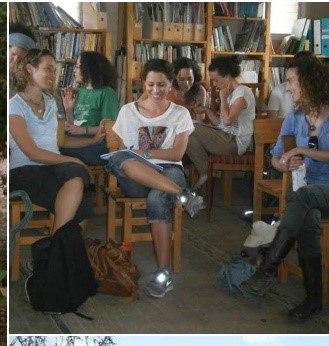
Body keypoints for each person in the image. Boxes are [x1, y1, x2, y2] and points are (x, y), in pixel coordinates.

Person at [242, 55, 329, 323]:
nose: (287, 88)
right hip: (306, 191)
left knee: (304, 198)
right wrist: (285, 163)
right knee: (307, 214)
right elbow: (275, 158)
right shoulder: (294, 118)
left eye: (291, 81)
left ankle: (268, 266)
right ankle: (313, 299)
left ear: (311, 82)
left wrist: (301, 150)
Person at [107, 58, 207, 299]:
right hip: (135, 177)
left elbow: (177, 154)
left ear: (171, 85)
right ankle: (182, 194)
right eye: (150, 84)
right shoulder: (127, 111)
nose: (155, 90)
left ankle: (163, 274)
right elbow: (123, 153)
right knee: (118, 159)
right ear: (143, 83)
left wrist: (146, 153)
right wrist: (137, 157)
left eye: (161, 85)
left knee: (157, 198)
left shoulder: (180, 113)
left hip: (169, 171)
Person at [9, 49, 98, 232]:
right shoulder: (14, 106)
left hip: (53, 168)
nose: (53, 74)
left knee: (78, 182)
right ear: (29, 69)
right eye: (48, 69)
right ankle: (59, 250)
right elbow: (32, 153)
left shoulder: (52, 102)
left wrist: (92, 141)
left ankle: (57, 249)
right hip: (24, 170)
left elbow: (61, 143)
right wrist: (72, 159)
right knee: (79, 193)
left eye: (54, 70)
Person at [185, 55, 257, 190]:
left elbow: (228, 121)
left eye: (216, 80)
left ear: (227, 76)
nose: (215, 85)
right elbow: (222, 124)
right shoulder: (233, 93)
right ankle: (206, 171)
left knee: (190, 128)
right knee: (189, 131)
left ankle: (205, 172)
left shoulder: (242, 92)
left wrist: (222, 97)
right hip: (227, 136)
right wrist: (206, 110)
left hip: (236, 142)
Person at [60, 51, 121, 165]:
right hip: (80, 140)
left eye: (77, 67)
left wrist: (82, 130)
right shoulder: (82, 91)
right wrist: (68, 109)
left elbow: (111, 127)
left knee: (58, 149)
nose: (74, 70)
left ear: (89, 69)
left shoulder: (107, 93)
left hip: (99, 144)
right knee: (55, 143)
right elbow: (76, 124)